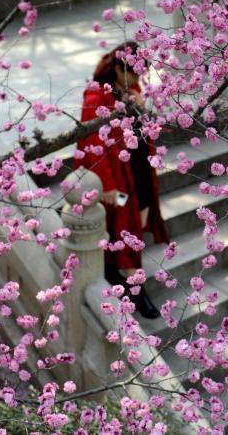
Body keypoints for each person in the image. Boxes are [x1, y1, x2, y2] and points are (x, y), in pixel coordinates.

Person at [74, 41, 167, 319]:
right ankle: (137, 289)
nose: (137, 81)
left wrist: (141, 106)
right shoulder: (95, 98)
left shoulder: (132, 88)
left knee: (138, 219)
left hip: (139, 168)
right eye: (133, 74)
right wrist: (109, 186)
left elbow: (146, 126)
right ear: (117, 68)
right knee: (127, 228)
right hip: (116, 175)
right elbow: (91, 145)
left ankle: (115, 267)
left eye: (140, 75)